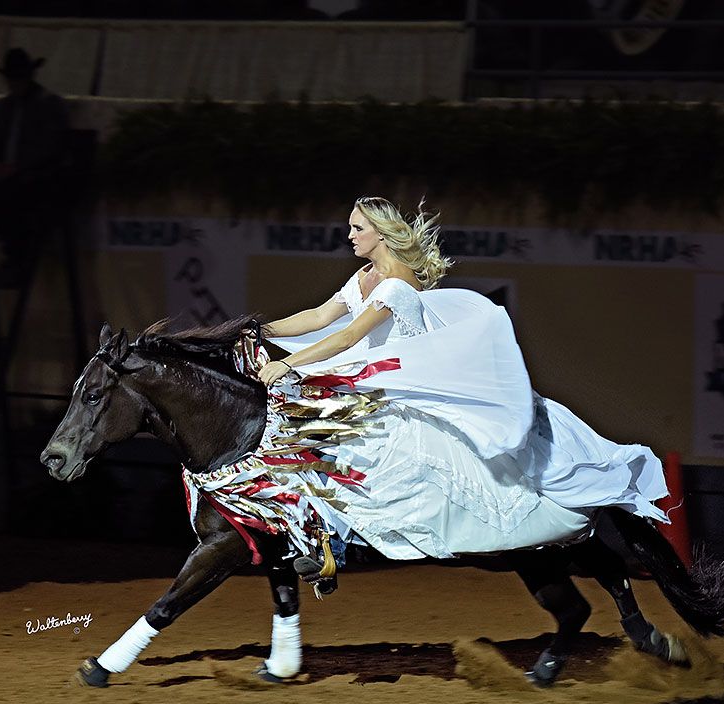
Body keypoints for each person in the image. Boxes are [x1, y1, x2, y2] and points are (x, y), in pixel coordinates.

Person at [246, 196, 670, 573]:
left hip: (401, 392)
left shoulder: (395, 286)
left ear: (380, 233)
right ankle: (328, 540)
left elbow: (347, 337)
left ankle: (338, 544)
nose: (349, 234)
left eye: (358, 227)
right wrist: (255, 330)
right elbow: (320, 318)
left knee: (356, 451)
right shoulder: (364, 276)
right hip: (371, 388)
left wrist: (290, 364)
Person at [0, 47, 69, 266]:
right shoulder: (4, 106)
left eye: (19, 78)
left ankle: (18, 251)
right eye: (11, 79)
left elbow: (50, 146)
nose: (15, 84)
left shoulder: (49, 104)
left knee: (13, 195)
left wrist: (18, 167)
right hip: (6, 173)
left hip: (34, 175)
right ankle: (13, 245)